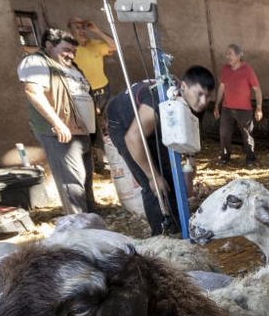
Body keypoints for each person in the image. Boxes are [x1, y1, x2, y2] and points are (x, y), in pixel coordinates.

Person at [104, 66, 215, 235]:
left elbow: (191, 131)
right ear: (183, 87)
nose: (203, 101)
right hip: (123, 122)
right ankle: (162, 236)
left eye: (207, 96)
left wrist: (190, 157)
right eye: (199, 94)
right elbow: (133, 138)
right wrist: (153, 176)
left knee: (171, 174)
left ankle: (179, 227)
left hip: (154, 121)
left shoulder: (195, 105)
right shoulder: (158, 100)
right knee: (155, 185)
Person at [18, 27, 96, 215]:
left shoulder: (72, 68)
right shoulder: (36, 61)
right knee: (71, 179)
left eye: (73, 51)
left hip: (82, 130)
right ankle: (79, 223)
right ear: (48, 45)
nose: (71, 55)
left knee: (85, 177)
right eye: (66, 50)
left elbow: (83, 93)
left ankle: (91, 217)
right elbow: (32, 91)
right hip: (60, 130)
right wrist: (57, 123)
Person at [67, 16, 116, 172]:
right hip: (86, 94)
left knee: (111, 123)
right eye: (77, 27)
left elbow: (115, 46)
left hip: (104, 89)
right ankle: (100, 163)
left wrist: (97, 30)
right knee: (93, 128)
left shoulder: (95, 45)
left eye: (83, 27)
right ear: (70, 31)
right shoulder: (70, 49)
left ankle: (116, 157)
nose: (81, 30)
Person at [213, 44, 263, 166]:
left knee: (247, 135)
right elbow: (221, 88)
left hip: (244, 109)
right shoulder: (225, 69)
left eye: (230, 53)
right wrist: (216, 105)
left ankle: (250, 158)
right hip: (227, 108)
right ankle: (224, 157)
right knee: (224, 133)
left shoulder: (247, 70)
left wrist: (259, 108)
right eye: (227, 54)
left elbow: (257, 90)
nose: (227, 56)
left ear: (238, 55)